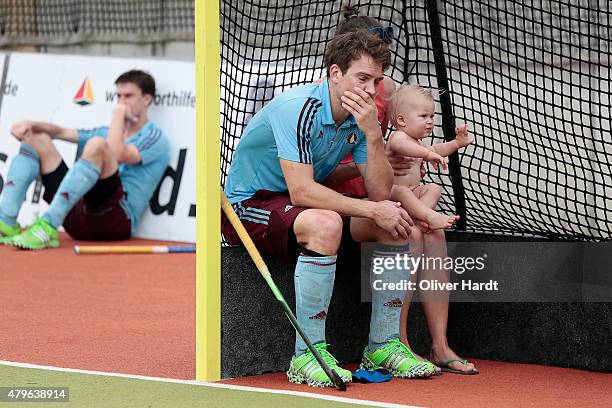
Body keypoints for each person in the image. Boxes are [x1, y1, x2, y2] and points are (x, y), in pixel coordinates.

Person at [223, 30, 437, 388]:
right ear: (335, 74)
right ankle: (308, 356)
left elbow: (380, 191)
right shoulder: (298, 108)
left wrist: (372, 135)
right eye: (362, 78)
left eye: (377, 81)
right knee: (329, 224)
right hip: (250, 205)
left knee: (396, 223)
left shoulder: (361, 117)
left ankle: (383, 345)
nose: (371, 90)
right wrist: (371, 210)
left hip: (297, 204)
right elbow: (302, 190)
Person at [320, 7, 479, 375]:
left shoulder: (388, 92)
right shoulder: (329, 96)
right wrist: (370, 166)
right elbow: (319, 176)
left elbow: (406, 134)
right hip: (355, 206)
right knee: (408, 228)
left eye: (380, 72)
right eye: (369, 70)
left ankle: (439, 345)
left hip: (388, 196)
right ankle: (397, 342)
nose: (375, 82)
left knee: (433, 231)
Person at [0, 70, 170, 250]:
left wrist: (118, 115)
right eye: (118, 96)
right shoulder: (108, 132)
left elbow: (117, 153)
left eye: (128, 96)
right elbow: (61, 132)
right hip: (79, 218)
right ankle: (6, 221)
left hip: (115, 222)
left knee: (97, 144)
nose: (121, 102)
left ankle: (48, 225)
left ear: (147, 99)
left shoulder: (155, 138)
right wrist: (29, 124)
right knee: (35, 137)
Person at [386, 85, 472, 230]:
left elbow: (437, 149)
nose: (430, 121)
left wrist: (457, 143)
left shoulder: (417, 143)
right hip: (392, 192)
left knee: (434, 188)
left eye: (432, 116)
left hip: (414, 192)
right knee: (403, 192)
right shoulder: (399, 136)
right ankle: (426, 216)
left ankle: (419, 218)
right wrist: (427, 154)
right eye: (423, 116)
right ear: (402, 120)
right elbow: (400, 146)